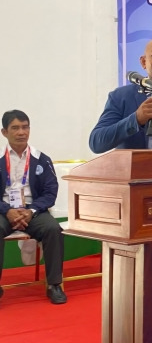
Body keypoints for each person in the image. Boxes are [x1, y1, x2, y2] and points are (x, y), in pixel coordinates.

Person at [0, 110, 66, 304]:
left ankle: (54, 285)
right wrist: (7, 211)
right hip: (4, 211)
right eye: (15, 128)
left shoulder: (41, 159)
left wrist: (32, 210)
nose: (21, 132)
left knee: (54, 229)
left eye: (25, 127)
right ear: (4, 132)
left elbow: (50, 192)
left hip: (33, 211)